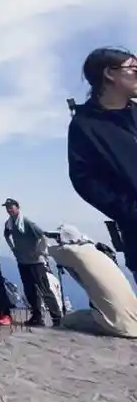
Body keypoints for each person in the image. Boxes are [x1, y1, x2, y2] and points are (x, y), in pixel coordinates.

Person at [68, 47, 137, 281]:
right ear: (110, 74)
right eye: (134, 69)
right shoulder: (85, 125)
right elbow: (85, 180)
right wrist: (130, 211)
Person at [47, 225, 137, 338]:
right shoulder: (95, 251)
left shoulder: (72, 252)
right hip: (134, 322)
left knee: (67, 320)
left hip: (115, 325)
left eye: (58, 238)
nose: (57, 241)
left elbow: (44, 249)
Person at [2, 199, 62, 328]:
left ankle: (57, 318)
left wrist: (40, 252)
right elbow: (6, 235)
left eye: (11, 207)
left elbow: (42, 236)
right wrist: (13, 249)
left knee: (45, 290)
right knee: (30, 291)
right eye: (7, 208)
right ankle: (37, 317)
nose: (9, 210)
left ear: (18, 208)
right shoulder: (10, 223)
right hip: (23, 261)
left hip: (36, 262)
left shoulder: (27, 222)